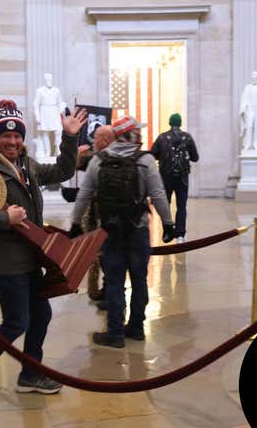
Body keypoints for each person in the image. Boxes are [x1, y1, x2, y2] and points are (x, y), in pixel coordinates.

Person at [0, 99, 87, 404]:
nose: (12, 141)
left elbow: (64, 170)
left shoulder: (27, 165)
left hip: (29, 258)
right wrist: (4, 218)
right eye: (6, 136)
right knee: (17, 321)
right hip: (4, 261)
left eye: (17, 136)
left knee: (40, 313)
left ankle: (30, 374)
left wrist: (69, 137)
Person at [69, 116, 174, 348]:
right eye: (138, 130)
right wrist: (168, 223)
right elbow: (158, 194)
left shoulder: (99, 160)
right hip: (137, 229)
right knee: (139, 279)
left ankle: (115, 333)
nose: (141, 134)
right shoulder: (145, 160)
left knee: (115, 281)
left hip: (110, 231)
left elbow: (84, 194)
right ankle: (136, 327)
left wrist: (75, 223)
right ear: (132, 134)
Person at [76, 125, 115, 302]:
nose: (93, 140)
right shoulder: (109, 156)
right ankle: (99, 290)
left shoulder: (99, 157)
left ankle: (103, 291)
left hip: (100, 215)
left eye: (97, 137)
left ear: (105, 140)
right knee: (99, 253)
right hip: (101, 214)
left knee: (100, 253)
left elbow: (78, 165)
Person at [150, 113, 199, 244]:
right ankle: (180, 235)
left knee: (165, 205)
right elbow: (195, 157)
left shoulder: (162, 138)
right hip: (182, 178)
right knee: (181, 206)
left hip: (166, 177)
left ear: (170, 123)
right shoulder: (187, 138)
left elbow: (152, 154)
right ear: (180, 123)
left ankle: (168, 231)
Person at [33, 73, 66, 156]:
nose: (49, 81)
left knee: (58, 131)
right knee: (45, 132)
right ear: (45, 80)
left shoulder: (56, 90)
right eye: (47, 79)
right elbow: (36, 103)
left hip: (54, 111)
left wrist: (62, 107)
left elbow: (60, 101)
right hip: (44, 111)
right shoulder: (40, 90)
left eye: (50, 79)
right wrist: (37, 116)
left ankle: (58, 150)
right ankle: (47, 152)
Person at [239, 71, 257, 151]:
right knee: (249, 126)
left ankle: (256, 145)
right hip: (250, 108)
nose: (254, 78)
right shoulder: (247, 87)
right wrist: (243, 108)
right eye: (253, 77)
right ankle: (247, 144)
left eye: (256, 77)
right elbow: (244, 98)